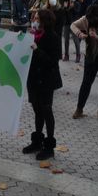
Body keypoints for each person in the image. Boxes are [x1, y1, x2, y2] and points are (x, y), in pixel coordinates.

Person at [22, 9, 62, 160]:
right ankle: (37, 141)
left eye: (38, 18)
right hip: (33, 79)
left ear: (45, 21)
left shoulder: (53, 37)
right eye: (34, 18)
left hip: (46, 80)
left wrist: (37, 50)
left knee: (46, 110)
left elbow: (53, 61)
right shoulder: (33, 35)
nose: (35, 20)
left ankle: (49, 146)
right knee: (37, 110)